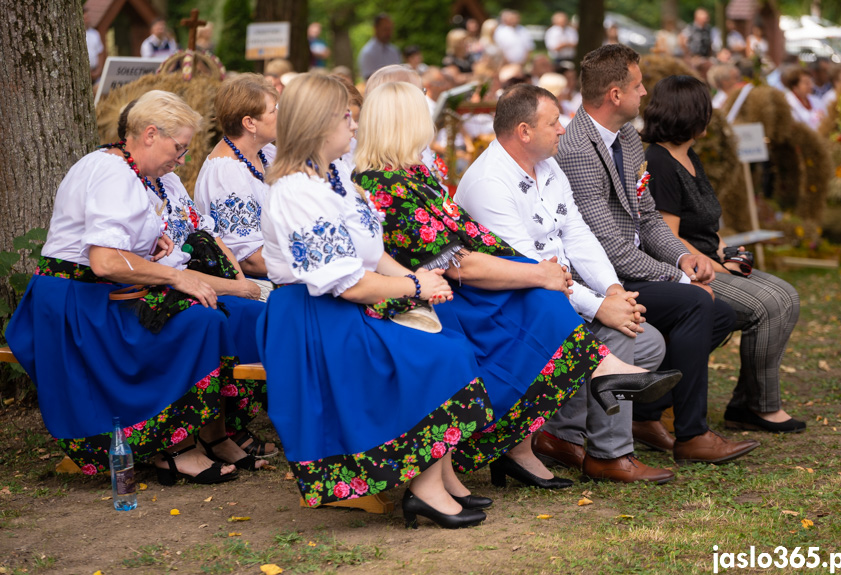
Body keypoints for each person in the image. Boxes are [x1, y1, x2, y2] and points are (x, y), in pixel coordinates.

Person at [354, 81, 682, 488]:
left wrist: (589, 285)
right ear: (403, 123)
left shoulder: (415, 173)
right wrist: (539, 273)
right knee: (543, 301)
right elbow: (457, 261)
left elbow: (477, 237)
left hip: (459, 284)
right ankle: (591, 398)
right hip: (433, 295)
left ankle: (534, 440)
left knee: (553, 303)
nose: (432, 125)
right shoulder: (382, 184)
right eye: (425, 117)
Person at [259, 73, 493, 529]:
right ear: (317, 125)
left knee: (453, 345)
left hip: (345, 307)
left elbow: (372, 254)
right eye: (345, 116)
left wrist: (414, 276)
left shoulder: (336, 175)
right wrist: (416, 288)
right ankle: (424, 489)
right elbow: (346, 284)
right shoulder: (296, 192)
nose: (354, 123)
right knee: (437, 357)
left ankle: (439, 478)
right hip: (313, 319)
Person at [6, 90, 258, 486]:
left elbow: (113, 247)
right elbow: (104, 261)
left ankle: (197, 438)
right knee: (200, 323)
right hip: (77, 306)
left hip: (97, 295)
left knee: (208, 317)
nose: (182, 158)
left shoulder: (125, 168)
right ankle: (172, 449)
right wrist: (177, 275)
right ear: (150, 134)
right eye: (179, 148)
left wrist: (151, 246)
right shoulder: (113, 173)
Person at [456, 84, 674, 484]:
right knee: (620, 337)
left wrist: (612, 290)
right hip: (512, 310)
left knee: (649, 342)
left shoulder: (548, 165)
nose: (563, 129)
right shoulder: (490, 182)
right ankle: (611, 455)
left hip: (556, 297)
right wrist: (600, 308)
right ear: (524, 131)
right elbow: (531, 271)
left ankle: (558, 436)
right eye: (553, 122)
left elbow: (577, 233)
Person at [556, 44, 760, 464]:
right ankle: (692, 435)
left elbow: (647, 216)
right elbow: (608, 246)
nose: (645, 92)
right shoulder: (577, 148)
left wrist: (683, 258)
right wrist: (681, 278)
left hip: (635, 268)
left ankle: (646, 414)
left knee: (721, 313)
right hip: (602, 279)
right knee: (697, 304)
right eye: (637, 84)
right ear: (615, 94)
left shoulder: (628, 138)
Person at [642, 76, 805, 434]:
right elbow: (667, 240)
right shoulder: (659, 162)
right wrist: (718, 267)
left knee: (787, 296)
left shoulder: (688, 156)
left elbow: (702, 227)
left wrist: (727, 253)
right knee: (769, 304)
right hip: (685, 271)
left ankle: (749, 403)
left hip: (711, 260)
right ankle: (756, 407)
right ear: (695, 114)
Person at [195, 74, 278, 285]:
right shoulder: (226, 173)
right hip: (253, 281)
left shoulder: (265, 152)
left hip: (282, 264)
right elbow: (250, 260)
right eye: (273, 110)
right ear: (249, 123)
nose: (281, 115)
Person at [358, 13, 402, 80]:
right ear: (375, 28)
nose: (388, 32)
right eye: (385, 29)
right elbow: (369, 79)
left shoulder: (394, 51)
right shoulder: (367, 53)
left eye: (390, 29)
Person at [782, 66, 825, 131]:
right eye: (806, 83)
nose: (811, 86)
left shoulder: (816, 100)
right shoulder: (787, 103)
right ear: (795, 86)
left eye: (811, 82)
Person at [84, 5, 105, 85]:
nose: (87, 20)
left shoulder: (95, 34)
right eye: (85, 18)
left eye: (88, 18)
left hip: (95, 71)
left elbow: (100, 52)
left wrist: (99, 70)